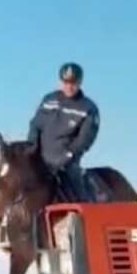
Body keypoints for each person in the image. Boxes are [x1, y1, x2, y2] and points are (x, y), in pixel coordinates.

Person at [27, 62, 99, 202]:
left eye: (73, 83)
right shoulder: (49, 100)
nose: (69, 87)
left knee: (74, 180)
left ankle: (83, 207)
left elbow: (85, 140)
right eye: (66, 83)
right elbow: (35, 125)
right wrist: (31, 147)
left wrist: (67, 155)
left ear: (80, 82)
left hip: (66, 162)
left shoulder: (88, 108)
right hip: (40, 158)